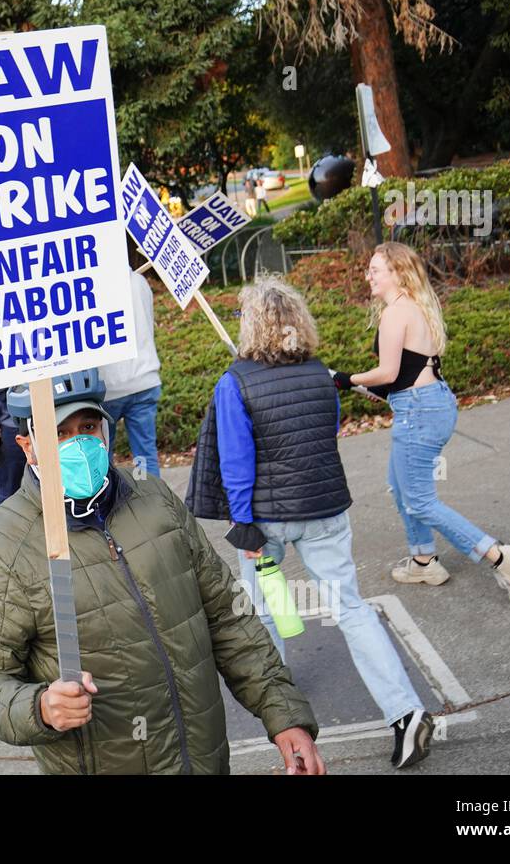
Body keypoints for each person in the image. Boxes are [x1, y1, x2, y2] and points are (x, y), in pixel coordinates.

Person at [0, 369, 324, 775]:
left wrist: (284, 714)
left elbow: (227, 616)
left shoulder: (154, 498)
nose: (78, 442)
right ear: (28, 446)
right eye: (58, 432)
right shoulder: (5, 544)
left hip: (204, 760)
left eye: (88, 426)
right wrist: (41, 707)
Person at [186, 275, 434, 769]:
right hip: (325, 509)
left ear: (251, 326)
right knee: (350, 608)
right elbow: (328, 430)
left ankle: (283, 714)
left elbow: (236, 462)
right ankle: (407, 713)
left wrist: (244, 526)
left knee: (261, 615)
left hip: (266, 518)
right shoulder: (322, 373)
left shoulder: (234, 382)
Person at [331, 242, 510, 601]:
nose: (368, 276)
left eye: (375, 270)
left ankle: (502, 557)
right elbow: (402, 377)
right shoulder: (413, 306)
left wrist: (347, 378)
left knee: (420, 500)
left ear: (397, 273)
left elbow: (388, 372)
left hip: (419, 412)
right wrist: (363, 384)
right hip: (429, 404)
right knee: (400, 483)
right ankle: (424, 561)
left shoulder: (396, 313)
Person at [100, 264, 163, 477]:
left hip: (109, 386)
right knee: (145, 456)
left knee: (102, 457)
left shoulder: (96, 284)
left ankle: (107, 507)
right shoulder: (139, 282)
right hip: (145, 378)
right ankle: (151, 503)